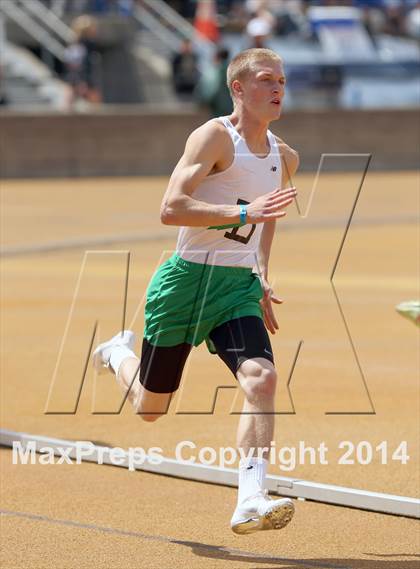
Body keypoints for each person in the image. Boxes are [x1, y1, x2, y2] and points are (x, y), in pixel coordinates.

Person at [93, 48, 299, 535]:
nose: (278, 89)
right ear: (238, 88)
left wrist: (262, 272)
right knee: (151, 408)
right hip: (184, 283)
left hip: (236, 288)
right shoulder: (213, 137)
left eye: (283, 81)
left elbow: (270, 219)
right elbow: (171, 208)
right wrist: (246, 213)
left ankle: (251, 496)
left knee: (261, 379)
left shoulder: (285, 156)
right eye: (267, 80)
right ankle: (115, 354)